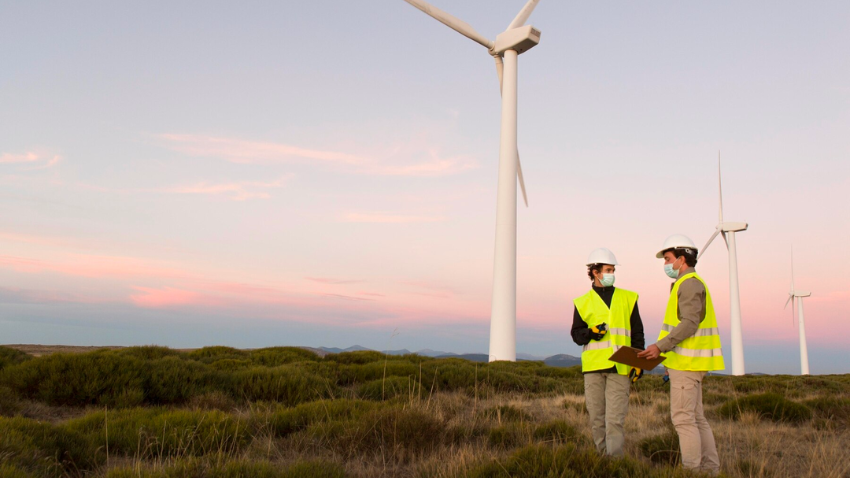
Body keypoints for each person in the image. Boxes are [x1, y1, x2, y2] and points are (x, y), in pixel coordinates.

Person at [638, 234, 724, 475]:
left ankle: (692, 471)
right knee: (696, 418)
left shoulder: (689, 284)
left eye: (667, 259)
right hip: (686, 364)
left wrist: (660, 346)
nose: (665, 264)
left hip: (688, 364)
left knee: (684, 420)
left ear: (681, 259)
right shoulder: (688, 283)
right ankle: (709, 469)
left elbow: (689, 323)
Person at [571, 247, 645, 457]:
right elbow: (576, 335)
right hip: (593, 367)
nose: (612, 274)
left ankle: (615, 464)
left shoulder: (628, 298)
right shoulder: (582, 302)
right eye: (608, 270)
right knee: (596, 418)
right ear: (595, 272)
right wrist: (590, 333)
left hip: (619, 367)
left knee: (615, 419)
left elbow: (637, 333)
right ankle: (601, 459)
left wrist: (638, 363)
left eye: (613, 270)